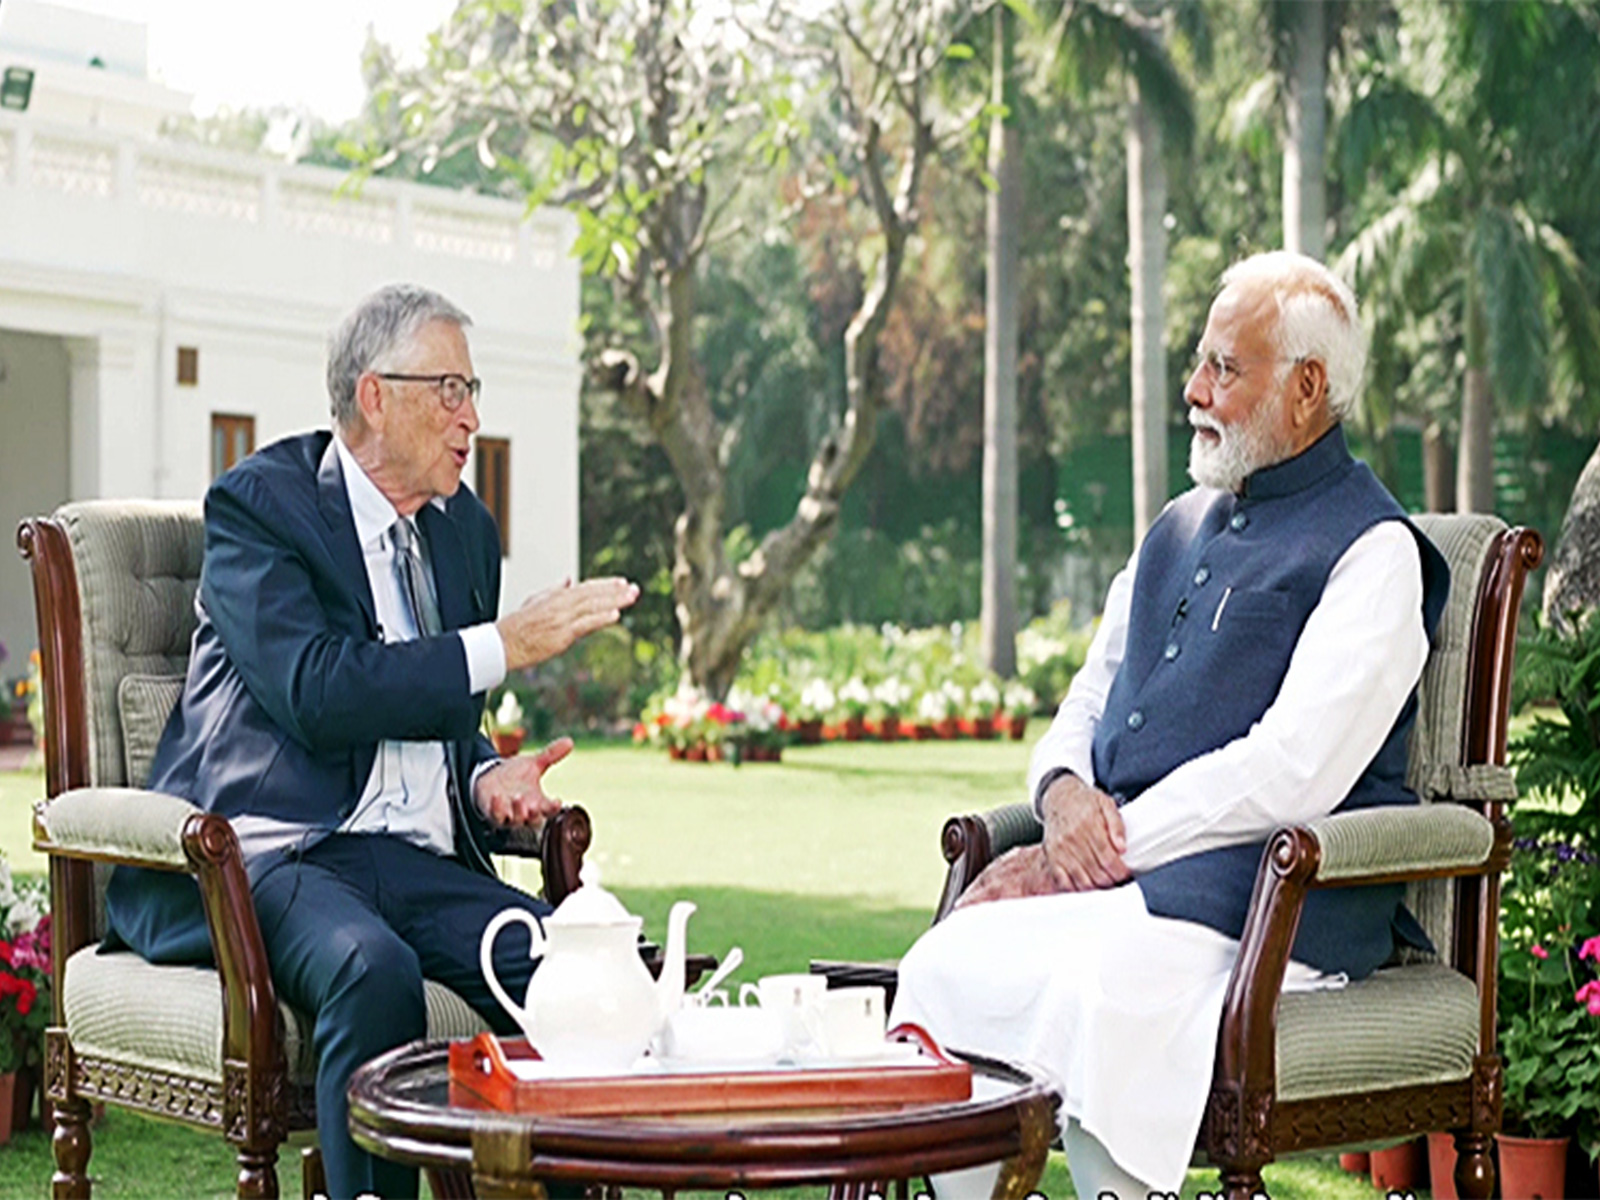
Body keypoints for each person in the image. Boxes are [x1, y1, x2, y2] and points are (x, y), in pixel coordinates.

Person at [890, 251, 1449, 1199]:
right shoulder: (1177, 526)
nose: (1196, 389)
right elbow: (1088, 697)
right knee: (950, 964)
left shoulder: (1376, 552)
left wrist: (1105, 848)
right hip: (1131, 888)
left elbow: (1295, 770)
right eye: (1201, 361)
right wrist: (1063, 796)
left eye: (1226, 368)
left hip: (1272, 903)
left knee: (1103, 990)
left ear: (1308, 388)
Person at [103, 284, 639, 1200]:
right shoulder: (260, 509)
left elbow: (430, 713)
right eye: (450, 389)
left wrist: (480, 778)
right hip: (273, 853)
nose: (471, 416)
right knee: (371, 969)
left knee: (584, 962)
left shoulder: (464, 531)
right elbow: (317, 691)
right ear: (374, 395)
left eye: (473, 390)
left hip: (413, 859)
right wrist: (504, 644)